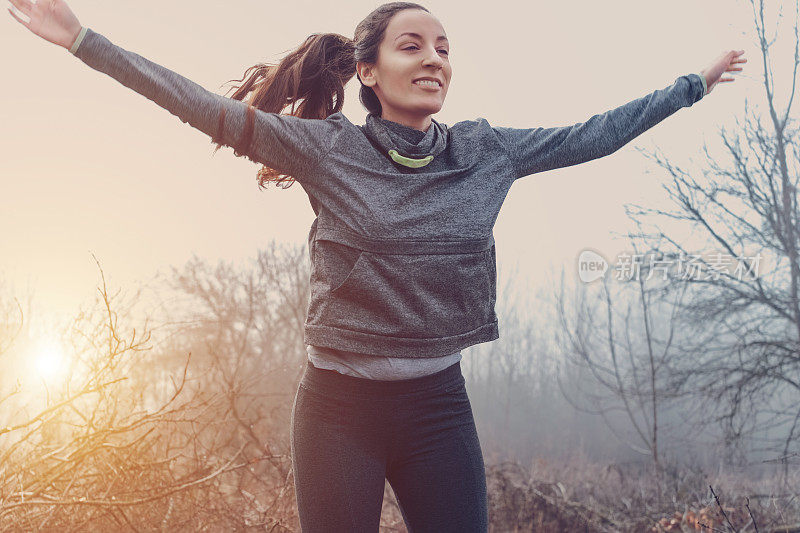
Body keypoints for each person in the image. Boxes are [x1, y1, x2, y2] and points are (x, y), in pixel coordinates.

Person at [8, 1, 746, 531]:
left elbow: (596, 135)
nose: (434, 59)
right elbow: (205, 109)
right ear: (368, 69)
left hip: (437, 409)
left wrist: (690, 87)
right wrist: (83, 41)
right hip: (337, 410)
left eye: (444, 48)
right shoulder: (329, 149)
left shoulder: (486, 153)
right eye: (413, 45)